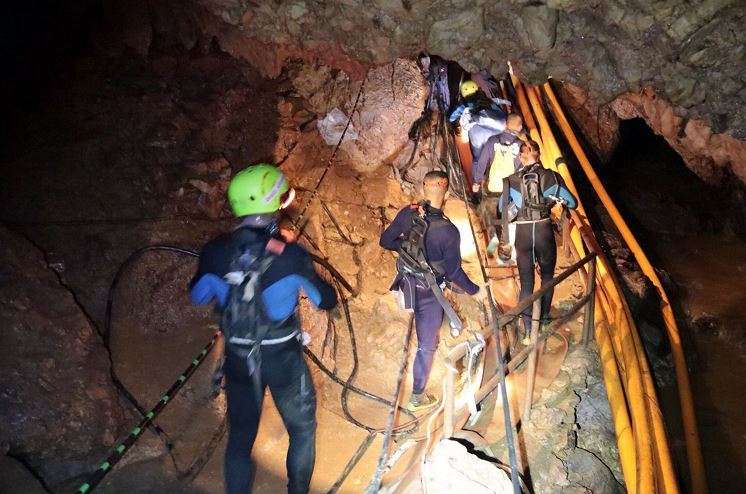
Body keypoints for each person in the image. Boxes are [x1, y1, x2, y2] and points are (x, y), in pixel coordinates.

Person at [189, 163, 337, 494]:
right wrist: (295, 259)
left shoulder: (214, 251)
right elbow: (324, 300)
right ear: (274, 202)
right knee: (301, 429)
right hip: (283, 357)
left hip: (240, 356)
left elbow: (197, 296)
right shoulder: (291, 255)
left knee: (240, 438)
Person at [380, 170, 481, 410]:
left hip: (405, 284)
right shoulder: (449, 231)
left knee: (432, 311)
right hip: (429, 293)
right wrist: (475, 290)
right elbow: (455, 272)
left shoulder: (408, 213)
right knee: (427, 346)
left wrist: (407, 250)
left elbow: (385, 241)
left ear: (424, 187)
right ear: (445, 189)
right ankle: (417, 396)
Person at [498, 141, 577, 342]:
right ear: (539, 154)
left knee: (526, 283)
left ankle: (527, 331)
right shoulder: (551, 176)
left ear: (520, 156)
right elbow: (572, 202)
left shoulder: (510, 180)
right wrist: (553, 199)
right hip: (543, 232)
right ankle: (542, 320)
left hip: (522, 235)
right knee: (548, 278)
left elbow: (502, 208)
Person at [449, 80, 512, 166]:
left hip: (480, 135)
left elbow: (451, 118)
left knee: (478, 156)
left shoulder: (463, 106)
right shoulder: (487, 100)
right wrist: (508, 103)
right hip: (498, 127)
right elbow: (499, 101)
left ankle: (479, 169)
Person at [473, 114, 528, 195]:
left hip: (493, 186)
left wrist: (477, 181)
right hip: (511, 189)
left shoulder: (493, 140)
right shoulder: (521, 145)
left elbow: (482, 162)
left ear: (506, 124)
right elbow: (524, 166)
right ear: (520, 127)